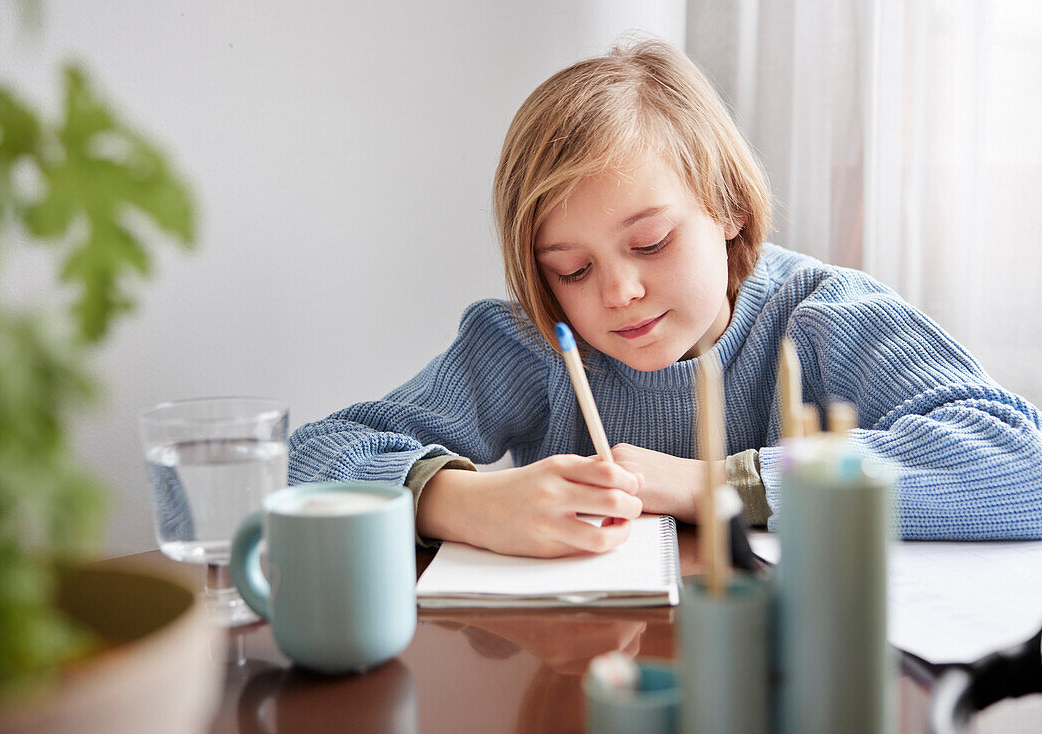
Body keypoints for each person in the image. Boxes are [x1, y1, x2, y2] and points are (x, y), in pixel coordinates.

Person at [289, 38, 1042, 557]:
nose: (618, 291)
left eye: (650, 243)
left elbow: (1020, 460)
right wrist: (458, 500)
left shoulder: (822, 316)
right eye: (570, 270)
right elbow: (305, 460)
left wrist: (709, 484)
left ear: (728, 206)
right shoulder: (528, 343)